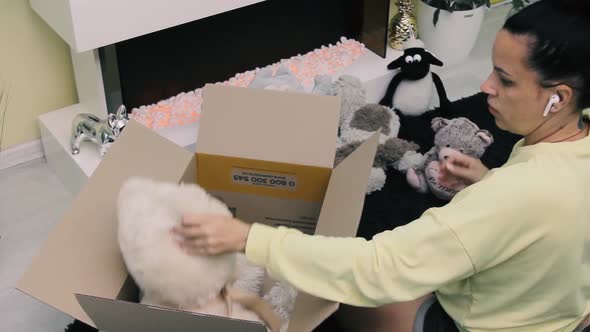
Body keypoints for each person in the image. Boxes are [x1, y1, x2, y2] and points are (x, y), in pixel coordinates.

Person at [173, 1, 590, 331]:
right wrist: (486, 179)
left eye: (505, 79)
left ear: (559, 98)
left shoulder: (509, 200)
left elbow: (377, 269)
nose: (485, 88)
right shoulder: (570, 146)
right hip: (560, 310)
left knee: (335, 292)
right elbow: (547, 208)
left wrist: (248, 237)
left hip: (489, 321)